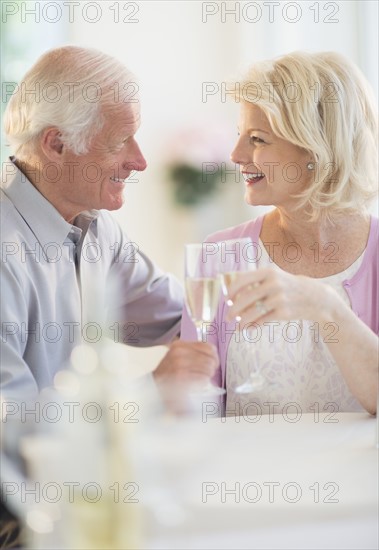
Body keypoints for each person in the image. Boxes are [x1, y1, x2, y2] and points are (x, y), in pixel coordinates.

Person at [0, 46, 218, 405]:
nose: (140, 161)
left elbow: (184, 316)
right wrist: (151, 392)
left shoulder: (93, 226)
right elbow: (12, 428)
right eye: (119, 142)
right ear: (57, 144)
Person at [181, 51, 378, 416]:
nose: (236, 154)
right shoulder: (219, 254)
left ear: (315, 149)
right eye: (240, 135)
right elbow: (196, 404)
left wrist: (326, 307)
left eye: (257, 139)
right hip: (244, 472)